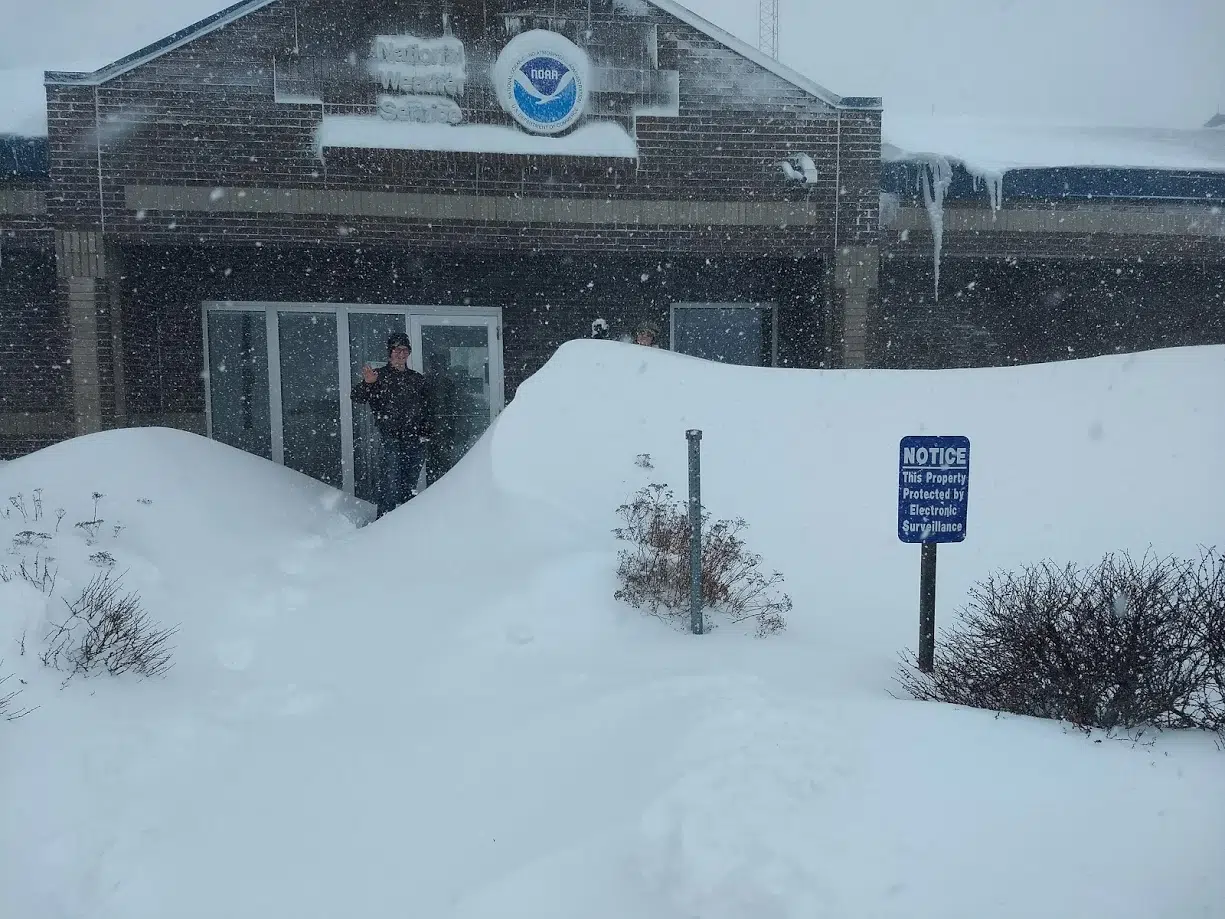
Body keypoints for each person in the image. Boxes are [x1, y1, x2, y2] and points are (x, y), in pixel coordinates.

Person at [352, 332, 432, 518]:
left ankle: (405, 525)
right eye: (397, 349)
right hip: (391, 439)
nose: (401, 354)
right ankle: (384, 525)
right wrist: (368, 384)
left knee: (409, 486)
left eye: (405, 350)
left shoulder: (416, 379)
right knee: (390, 484)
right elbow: (357, 397)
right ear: (390, 353)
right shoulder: (378, 376)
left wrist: (426, 429)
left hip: (415, 439)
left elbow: (427, 407)